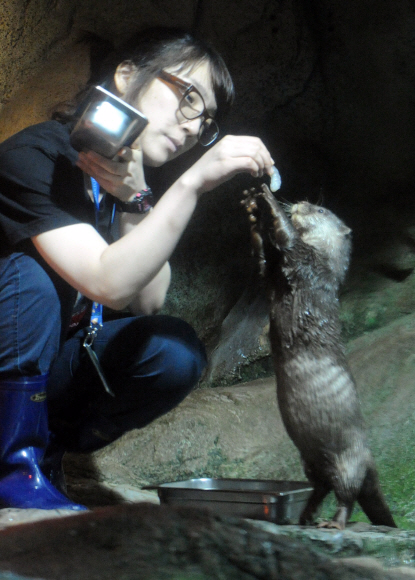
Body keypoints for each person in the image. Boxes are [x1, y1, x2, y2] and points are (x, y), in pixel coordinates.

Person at [0, 28, 275, 511]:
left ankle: (42, 454)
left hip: (48, 369)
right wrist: (191, 184)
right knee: (35, 280)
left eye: (205, 120)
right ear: (127, 75)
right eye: (189, 99)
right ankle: (10, 468)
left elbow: (146, 301)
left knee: (173, 352)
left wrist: (137, 199)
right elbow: (109, 283)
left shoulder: (128, 179)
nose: (193, 127)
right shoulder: (37, 155)